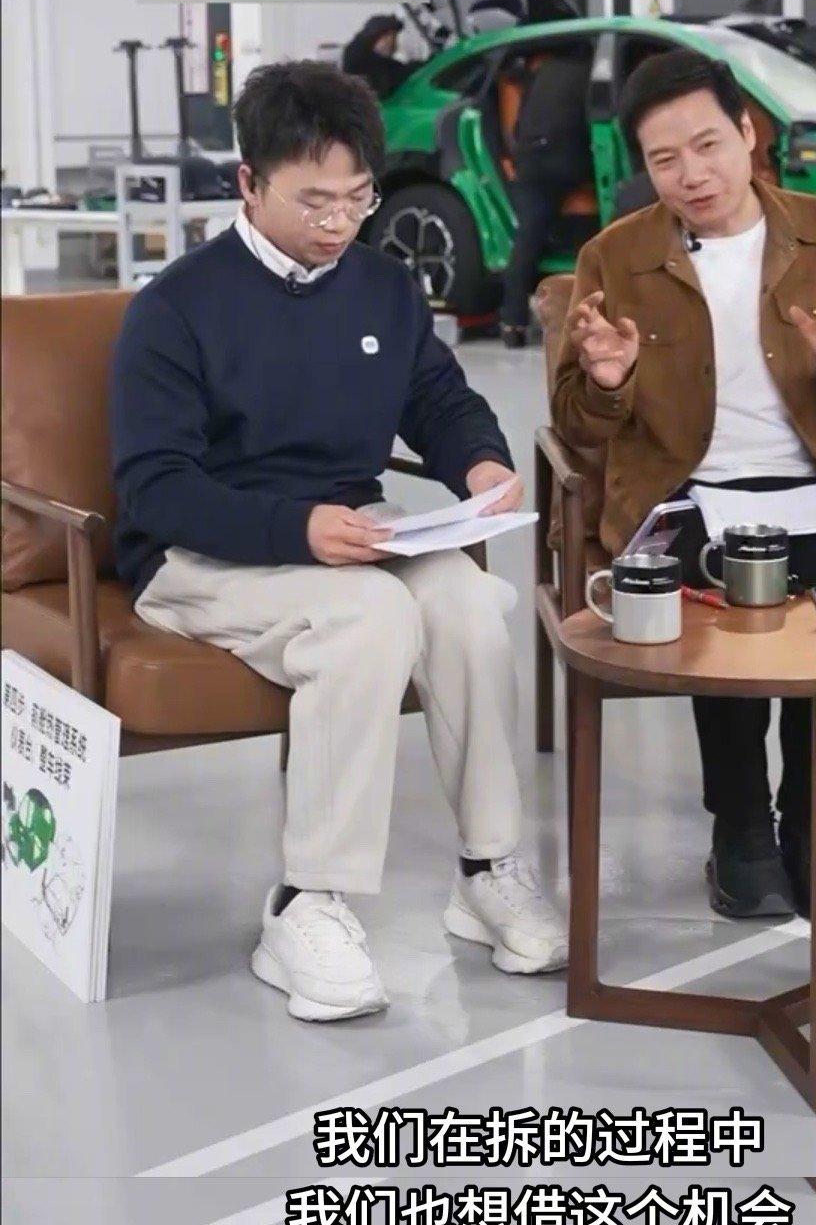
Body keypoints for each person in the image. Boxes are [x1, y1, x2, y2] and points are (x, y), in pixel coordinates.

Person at [111, 60, 566, 1021]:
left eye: (358, 198)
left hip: (346, 533)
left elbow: (438, 399)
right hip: (201, 554)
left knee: (470, 602)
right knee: (369, 617)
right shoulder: (175, 307)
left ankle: (487, 870)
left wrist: (480, 465)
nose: (338, 222)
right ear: (248, 183)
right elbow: (155, 488)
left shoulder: (382, 287)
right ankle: (304, 903)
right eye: (313, 201)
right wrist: (296, 529)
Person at [552, 46, 816, 927]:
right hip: (685, 495)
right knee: (718, 603)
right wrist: (606, 381)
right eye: (664, 159)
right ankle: (743, 828)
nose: (692, 174)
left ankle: (812, 822)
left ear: (748, 133)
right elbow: (575, 424)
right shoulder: (614, 257)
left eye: (708, 145)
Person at [500, 46, 594, 346]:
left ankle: (512, 322)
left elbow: (518, 125)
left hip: (531, 159)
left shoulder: (542, 74)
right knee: (589, 219)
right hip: (567, 158)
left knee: (527, 238)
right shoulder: (589, 72)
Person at [342, 15, 408, 101]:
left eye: (394, 37)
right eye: (386, 36)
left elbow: (400, 70)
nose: (392, 42)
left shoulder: (381, 62)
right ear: (374, 36)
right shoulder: (357, 60)